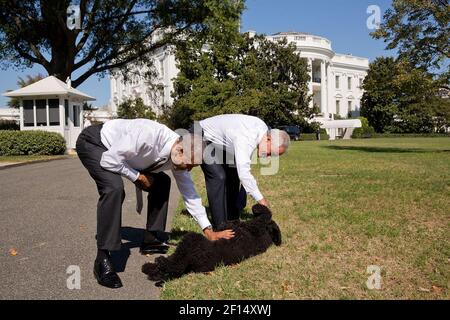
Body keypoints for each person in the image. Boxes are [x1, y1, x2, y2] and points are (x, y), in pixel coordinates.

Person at [76, 119, 234, 289]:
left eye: (192, 167)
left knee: (162, 182)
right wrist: (138, 177)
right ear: (180, 150)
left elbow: (189, 192)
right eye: (189, 165)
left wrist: (208, 230)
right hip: (96, 143)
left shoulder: (180, 153)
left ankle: (151, 239)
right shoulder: (147, 135)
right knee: (114, 188)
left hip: (122, 154)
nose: (188, 170)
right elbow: (109, 160)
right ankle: (102, 259)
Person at [192, 114, 290, 228]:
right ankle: (220, 227)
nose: (267, 157)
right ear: (269, 139)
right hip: (199, 134)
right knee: (218, 177)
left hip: (220, 144)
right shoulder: (248, 137)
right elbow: (244, 173)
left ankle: (233, 221)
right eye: (270, 153)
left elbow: (242, 171)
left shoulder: (262, 130)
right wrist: (261, 200)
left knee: (233, 176)